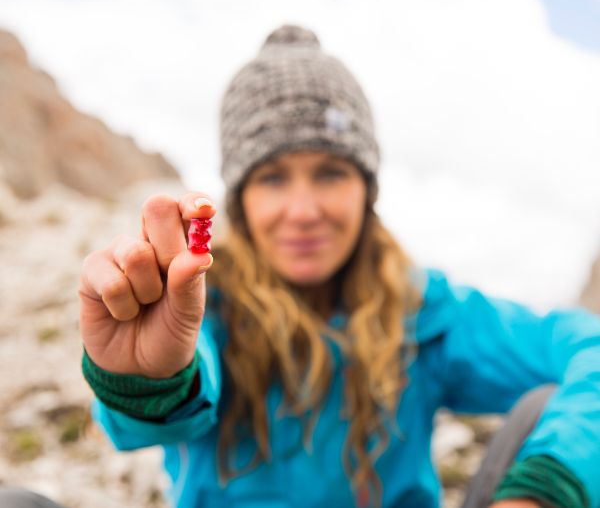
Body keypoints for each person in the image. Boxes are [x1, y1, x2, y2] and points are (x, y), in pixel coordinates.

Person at [70, 25, 600, 508]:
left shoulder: (427, 315)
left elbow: (587, 346)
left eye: (329, 173)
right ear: (242, 202)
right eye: (273, 177)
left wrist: (546, 489)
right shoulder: (202, 307)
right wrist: (150, 379)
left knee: (544, 407)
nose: (304, 212)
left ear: (366, 191)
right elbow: (142, 423)